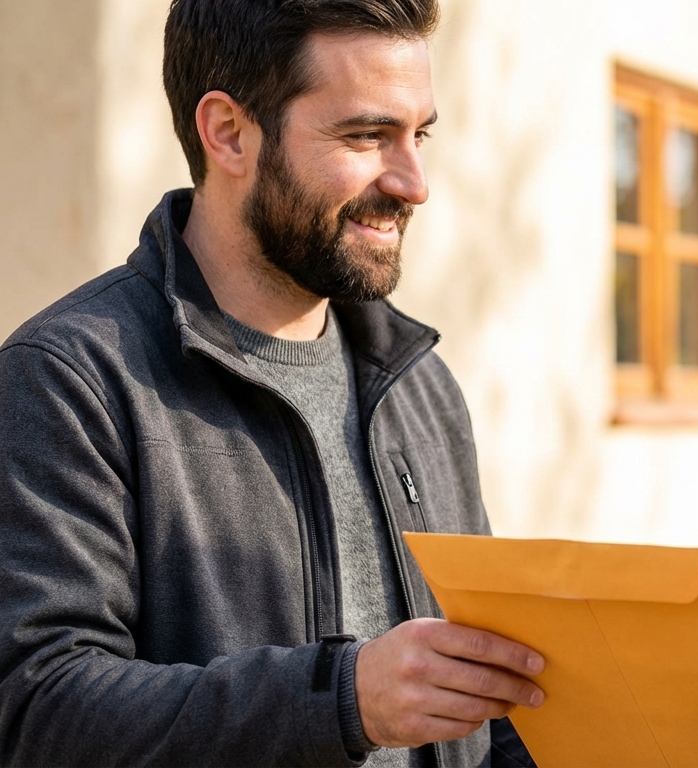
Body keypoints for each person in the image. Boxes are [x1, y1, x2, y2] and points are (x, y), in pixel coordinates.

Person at [0, 1, 547, 765]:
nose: (414, 182)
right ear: (228, 132)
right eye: (366, 135)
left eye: (417, 134)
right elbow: (37, 712)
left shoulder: (421, 389)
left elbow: (491, 719)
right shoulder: (70, 380)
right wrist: (345, 699)